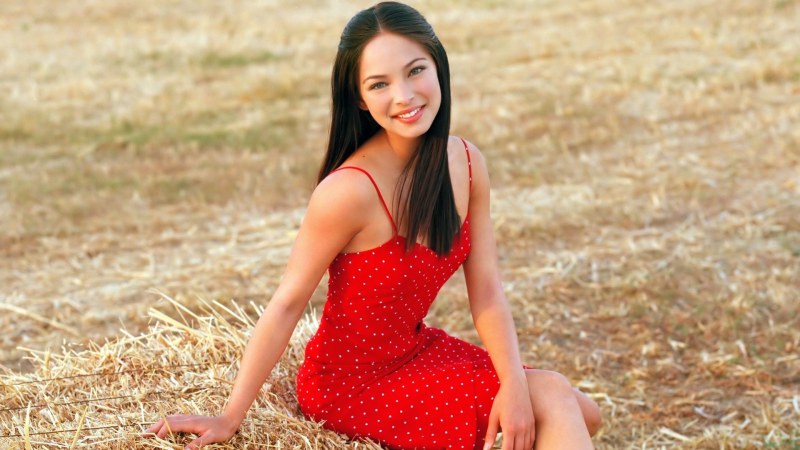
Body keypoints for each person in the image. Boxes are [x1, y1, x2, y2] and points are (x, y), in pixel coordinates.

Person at [143, 2, 602, 449]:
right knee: (556, 399)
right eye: (379, 84)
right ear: (359, 100)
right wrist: (229, 416)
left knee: (582, 413)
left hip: (416, 351)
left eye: (416, 70)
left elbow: (487, 291)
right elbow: (287, 304)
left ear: (439, 66)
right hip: (350, 385)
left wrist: (515, 386)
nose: (403, 96)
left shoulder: (465, 162)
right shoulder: (348, 192)